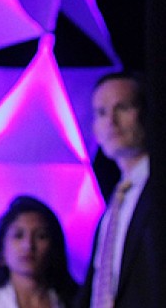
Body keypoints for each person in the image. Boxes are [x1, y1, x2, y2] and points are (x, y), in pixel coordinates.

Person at [75, 71, 154, 308]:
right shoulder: (116, 201)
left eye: (122, 108)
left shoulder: (155, 191)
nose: (111, 121)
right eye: (101, 112)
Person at [0, 195, 78, 308]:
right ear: (2, 251)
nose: (28, 245)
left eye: (41, 236)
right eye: (18, 235)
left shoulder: (77, 302)